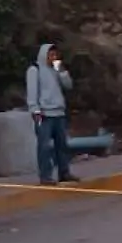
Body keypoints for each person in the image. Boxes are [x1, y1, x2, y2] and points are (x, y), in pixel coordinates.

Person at [25, 42, 78, 185]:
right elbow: (32, 93)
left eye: (55, 54)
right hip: (44, 113)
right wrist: (35, 110)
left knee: (62, 145)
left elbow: (68, 85)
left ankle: (64, 172)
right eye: (51, 54)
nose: (53, 57)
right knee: (44, 146)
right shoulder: (34, 69)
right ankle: (45, 176)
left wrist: (61, 71)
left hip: (58, 112)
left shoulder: (56, 70)